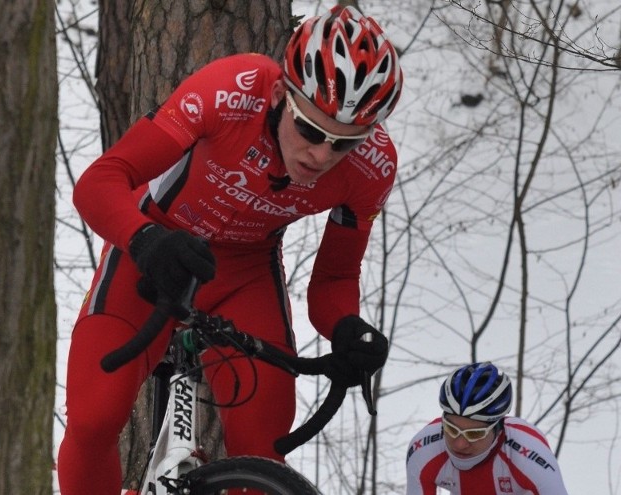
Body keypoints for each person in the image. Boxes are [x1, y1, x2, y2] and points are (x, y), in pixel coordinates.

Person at [57, 5, 403, 494]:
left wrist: (346, 328)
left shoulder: (372, 168)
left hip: (241, 275)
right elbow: (101, 181)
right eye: (310, 130)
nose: (321, 156)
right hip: (156, 249)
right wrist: (145, 239)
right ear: (283, 94)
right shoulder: (231, 91)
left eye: (343, 144)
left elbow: (335, 279)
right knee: (94, 419)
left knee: (265, 453)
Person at [405, 362, 570, 494]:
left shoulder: (528, 453)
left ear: (498, 430)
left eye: (475, 433)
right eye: (451, 429)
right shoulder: (424, 449)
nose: (460, 443)